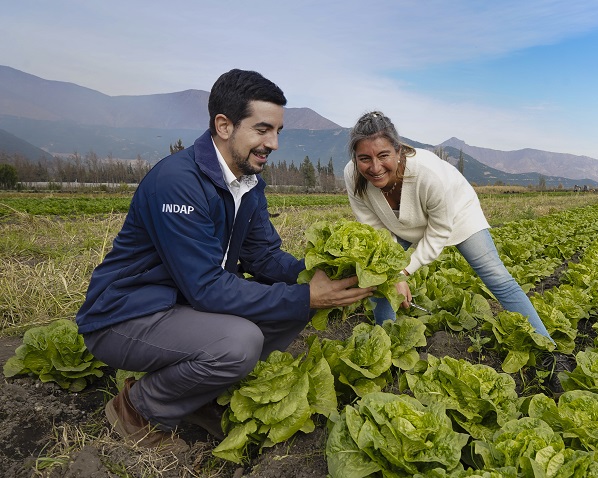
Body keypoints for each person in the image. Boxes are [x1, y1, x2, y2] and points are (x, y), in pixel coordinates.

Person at [75, 69, 374, 451]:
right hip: (125, 315)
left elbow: (263, 255)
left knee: (293, 298)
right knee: (240, 342)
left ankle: (199, 394)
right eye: (263, 129)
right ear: (224, 125)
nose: (274, 143)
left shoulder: (248, 182)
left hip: (181, 305)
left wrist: (320, 274)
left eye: (278, 131)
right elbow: (206, 288)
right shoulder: (178, 182)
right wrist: (308, 297)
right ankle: (139, 409)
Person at [343, 111, 554, 344]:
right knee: (378, 275)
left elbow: (438, 232)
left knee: (498, 278)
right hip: (400, 224)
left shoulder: (428, 174)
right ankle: (384, 346)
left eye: (383, 155)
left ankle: (545, 346)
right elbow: (375, 229)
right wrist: (391, 274)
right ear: (355, 157)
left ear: (398, 150)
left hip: (457, 215)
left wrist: (402, 272)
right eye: (364, 158)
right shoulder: (352, 175)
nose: (375, 167)